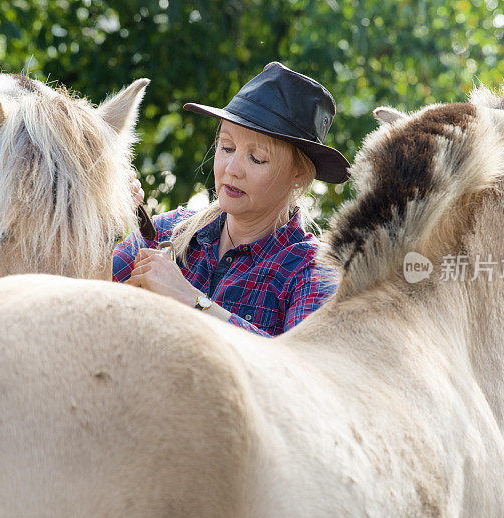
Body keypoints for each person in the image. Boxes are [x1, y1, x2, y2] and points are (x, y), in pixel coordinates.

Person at [113, 61, 350, 337]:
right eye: (227, 147)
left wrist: (192, 301)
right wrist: (107, 216)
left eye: (256, 158)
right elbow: (80, 294)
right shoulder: (166, 231)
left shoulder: (313, 271)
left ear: (297, 174)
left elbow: (302, 369)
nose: (232, 169)